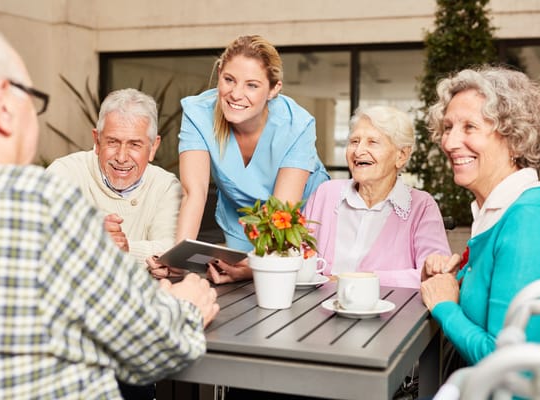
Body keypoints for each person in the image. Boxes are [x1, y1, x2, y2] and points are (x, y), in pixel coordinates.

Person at [0, 22, 219, 399]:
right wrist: (187, 308)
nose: (121, 155)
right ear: (4, 105)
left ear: (152, 146)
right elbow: (152, 346)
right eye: (32, 99)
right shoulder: (40, 200)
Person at [150, 34, 329, 282]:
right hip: (242, 218)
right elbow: (195, 193)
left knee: (292, 288)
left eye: (252, 85)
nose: (236, 94)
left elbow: (282, 213)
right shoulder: (198, 113)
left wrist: (256, 269)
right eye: (229, 80)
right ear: (220, 73)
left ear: (274, 89)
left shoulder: (297, 125)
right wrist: (178, 263)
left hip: (298, 220)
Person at [420, 65, 540, 367]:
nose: (449, 142)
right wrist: (451, 281)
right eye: (448, 128)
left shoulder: (532, 222)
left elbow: (507, 364)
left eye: (469, 127)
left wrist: (445, 306)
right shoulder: (501, 212)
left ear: (514, 139)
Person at [304, 105, 451, 288]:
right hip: (315, 310)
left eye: (372, 142)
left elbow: (435, 275)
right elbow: (295, 256)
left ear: (401, 155)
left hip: (389, 314)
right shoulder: (325, 194)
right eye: (354, 141)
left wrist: (360, 279)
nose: (358, 151)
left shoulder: (422, 206)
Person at [47, 88, 180, 264]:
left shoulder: (166, 186)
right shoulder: (64, 173)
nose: (121, 157)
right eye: (112, 142)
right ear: (97, 140)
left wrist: (126, 249)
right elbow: (37, 233)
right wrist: (89, 235)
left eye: (134, 144)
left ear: (153, 146)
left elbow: (172, 249)